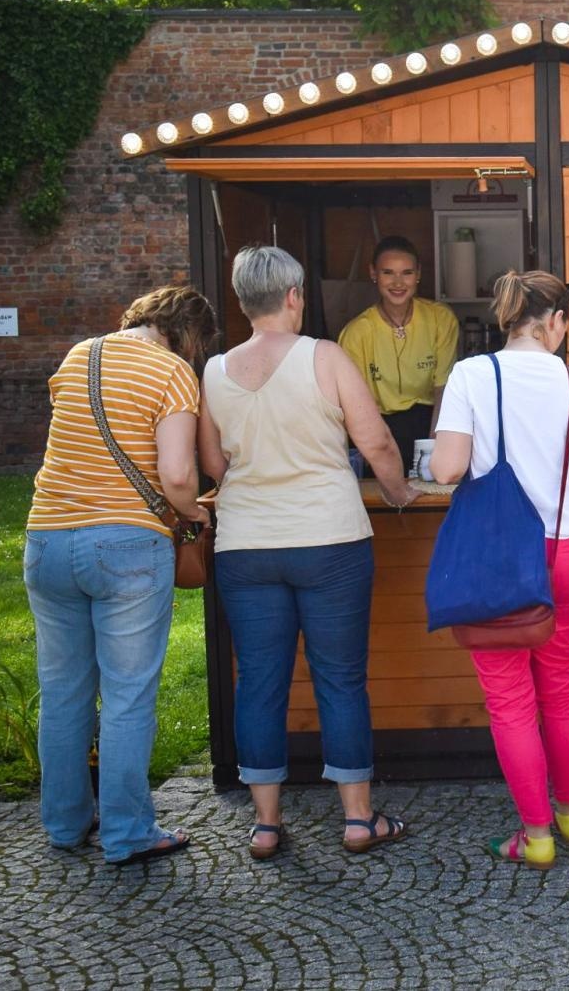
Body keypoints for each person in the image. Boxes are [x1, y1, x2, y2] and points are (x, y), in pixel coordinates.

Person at [199, 246, 420, 859]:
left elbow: (213, 463)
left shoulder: (213, 370)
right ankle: (358, 819)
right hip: (330, 539)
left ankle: (266, 825)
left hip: (246, 546)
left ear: (244, 301)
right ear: (295, 295)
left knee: (259, 682)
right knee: (340, 679)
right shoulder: (325, 356)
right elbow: (376, 441)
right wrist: (399, 492)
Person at [431, 270, 569, 870]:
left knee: (510, 701)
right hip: (567, 551)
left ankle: (536, 835)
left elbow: (446, 469)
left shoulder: (472, 375)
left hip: (498, 563)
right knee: (561, 687)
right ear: (556, 322)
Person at [26, 285, 217, 866]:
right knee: (128, 696)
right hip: (126, 545)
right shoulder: (173, 371)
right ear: (189, 336)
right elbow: (177, 476)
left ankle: (65, 824)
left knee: (63, 693)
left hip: (47, 538)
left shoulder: (77, 355)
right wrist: (195, 513)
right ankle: (128, 832)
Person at [337, 235, 460, 475]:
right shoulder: (356, 333)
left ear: (418, 274)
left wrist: (433, 448)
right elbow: (358, 405)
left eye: (407, 273)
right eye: (388, 273)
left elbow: (443, 389)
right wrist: (377, 451)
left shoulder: (440, 319)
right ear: (373, 273)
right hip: (379, 428)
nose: (398, 282)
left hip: (430, 423)